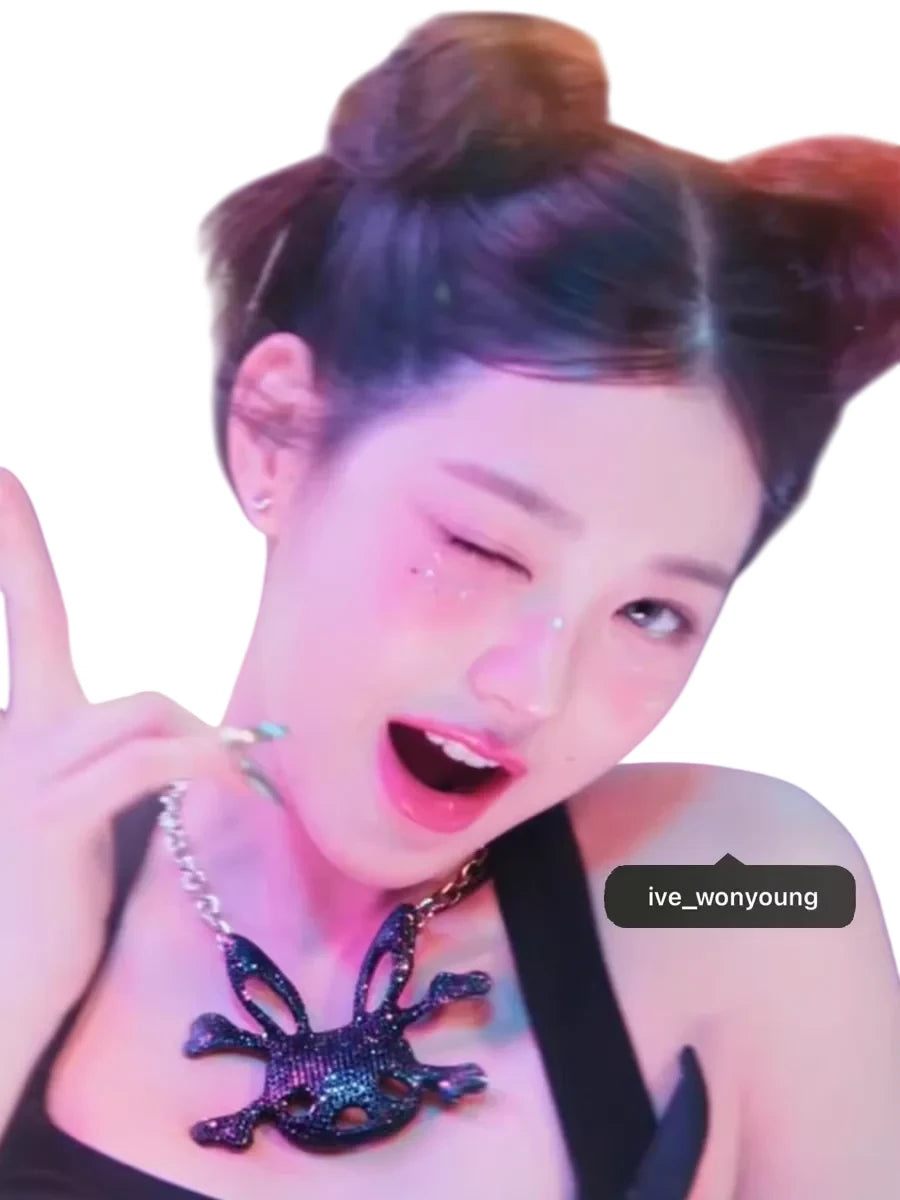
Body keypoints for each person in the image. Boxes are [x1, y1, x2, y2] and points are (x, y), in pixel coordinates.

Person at [0, 11, 897, 1199]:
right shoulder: (22, 851)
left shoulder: (748, 889)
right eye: (479, 546)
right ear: (277, 432)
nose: (533, 690)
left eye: (651, 613)